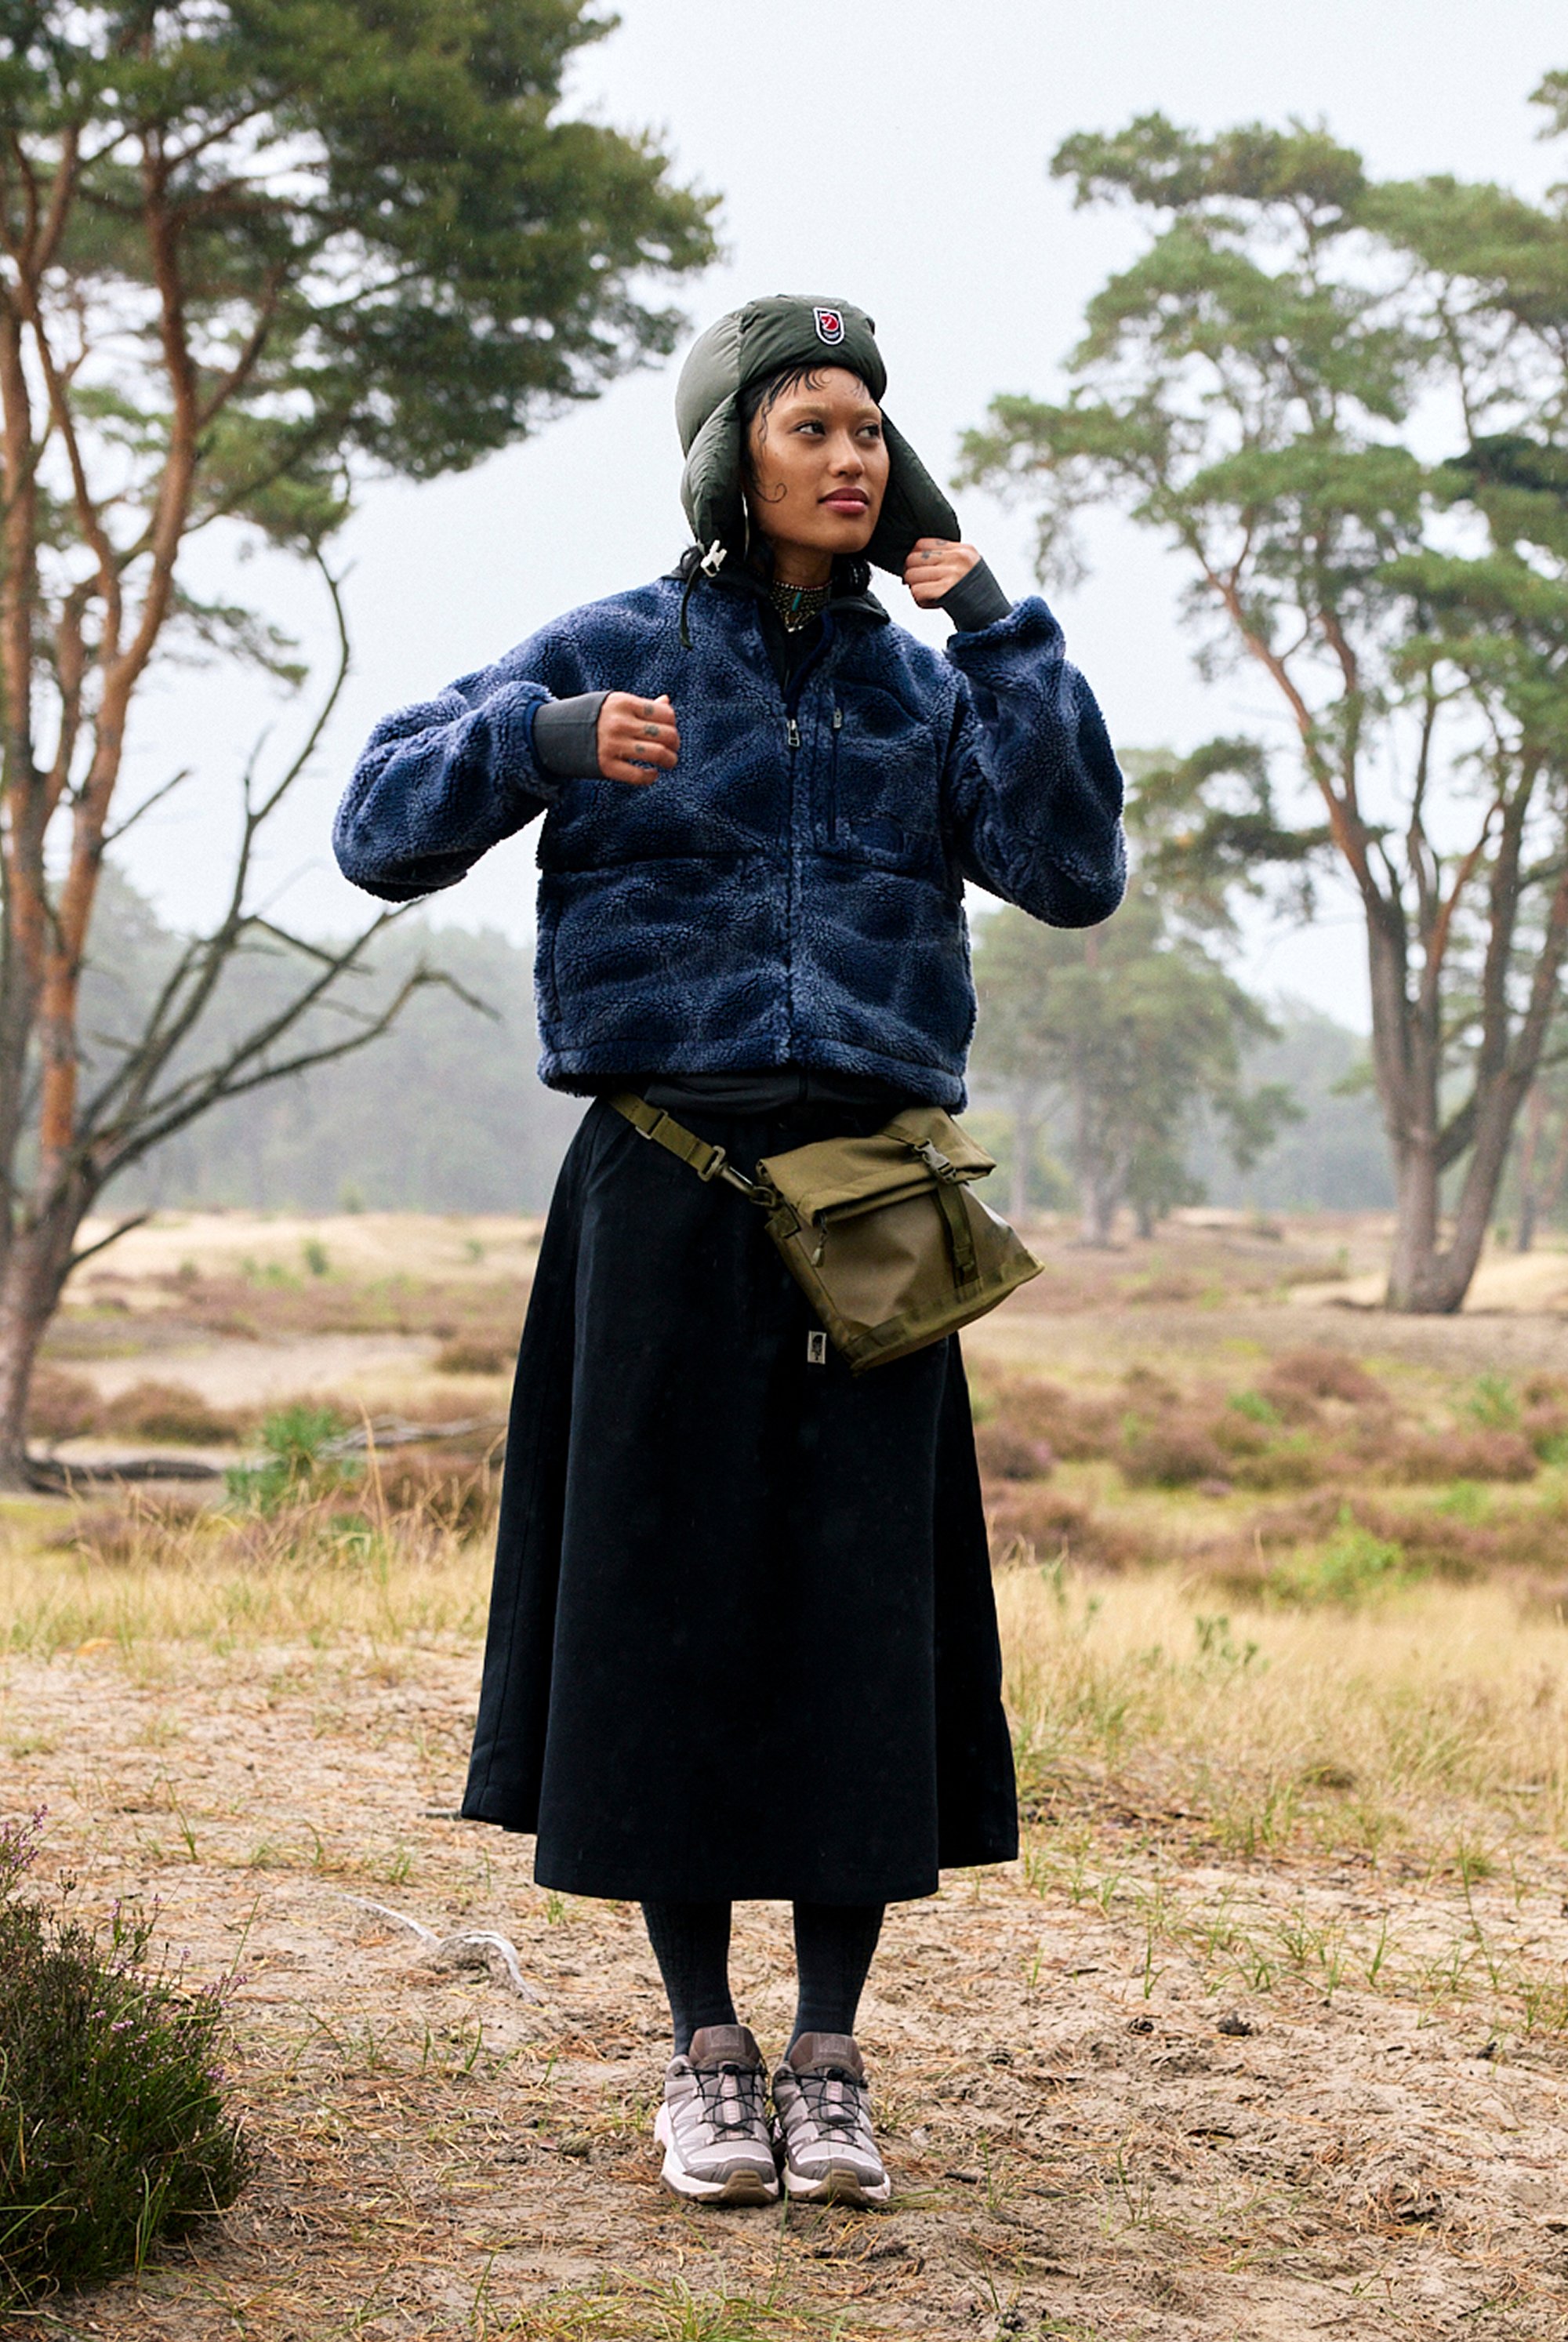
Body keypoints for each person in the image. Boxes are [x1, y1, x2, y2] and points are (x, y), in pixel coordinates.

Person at [334, 294, 1124, 2209]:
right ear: (728, 456)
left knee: (863, 1626)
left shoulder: (931, 684)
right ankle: (704, 2046)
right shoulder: (609, 647)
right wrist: (536, 743)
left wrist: (996, 620)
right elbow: (377, 826)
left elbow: (1072, 867)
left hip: (875, 1194)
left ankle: (831, 2055)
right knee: (660, 1612)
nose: (853, 457)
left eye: (870, 428)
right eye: (810, 426)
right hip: (664, 1181)